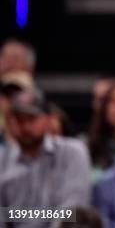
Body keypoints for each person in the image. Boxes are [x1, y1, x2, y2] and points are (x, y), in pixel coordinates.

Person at [0, 89, 92, 227]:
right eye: (19, 120)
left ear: (48, 120)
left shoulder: (72, 152)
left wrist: (14, 213)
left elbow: (71, 213)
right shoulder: (3, 159)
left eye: (32, 118)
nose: (25, 126)